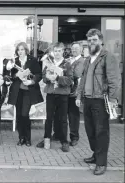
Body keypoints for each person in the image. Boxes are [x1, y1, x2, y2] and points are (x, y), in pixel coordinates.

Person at [76, 29, 121, 175]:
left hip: (101, 100)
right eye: (89, 40)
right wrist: (78, 96)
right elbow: (82, 79)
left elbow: (114, 80)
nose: (91, 43)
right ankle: (96, 155)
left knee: (101, 132)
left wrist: (113, 99)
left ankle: (101, 163)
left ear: (101, 40)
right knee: (90, 130)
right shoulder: (89, 59)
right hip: (88, 100)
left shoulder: (108, 57)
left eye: (94, 40)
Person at [37, 42, 73, 152]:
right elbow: (43, 77)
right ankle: (46, 138)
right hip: (51, 94)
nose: (57, 53)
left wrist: (57, 78)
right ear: (53, 52)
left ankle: (64, 141)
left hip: (62, 95)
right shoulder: (49, 63)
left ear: (63, 52)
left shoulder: (67, 64)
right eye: (55, 51)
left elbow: (70, 80)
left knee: (62, 119)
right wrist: (48, 77)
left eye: (59, 51)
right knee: (49, 118)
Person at [7, 42, 43, 147]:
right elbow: (11, 76)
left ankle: (28, 138)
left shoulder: (32, 60)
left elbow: (39, 75)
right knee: (18, 115)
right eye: (18, 50)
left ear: (26, 50)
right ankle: (21, 138)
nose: (20, 52)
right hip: (18, 91)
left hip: (28, 91)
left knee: (25, 114)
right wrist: (16, 75)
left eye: (22, 49)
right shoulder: (15, 61)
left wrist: (31, 81)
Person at [67, 41, 84, 147]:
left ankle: (74, 137)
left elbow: (77, 74)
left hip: (74, 92)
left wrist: (67, 68)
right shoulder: (70, 60)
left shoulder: (81, 61)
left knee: (73, 116)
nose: (74, 50)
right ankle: (59, 134)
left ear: (81, 50)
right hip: (66, 91)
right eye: (72, 48)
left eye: (76, 48)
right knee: (62, 115)